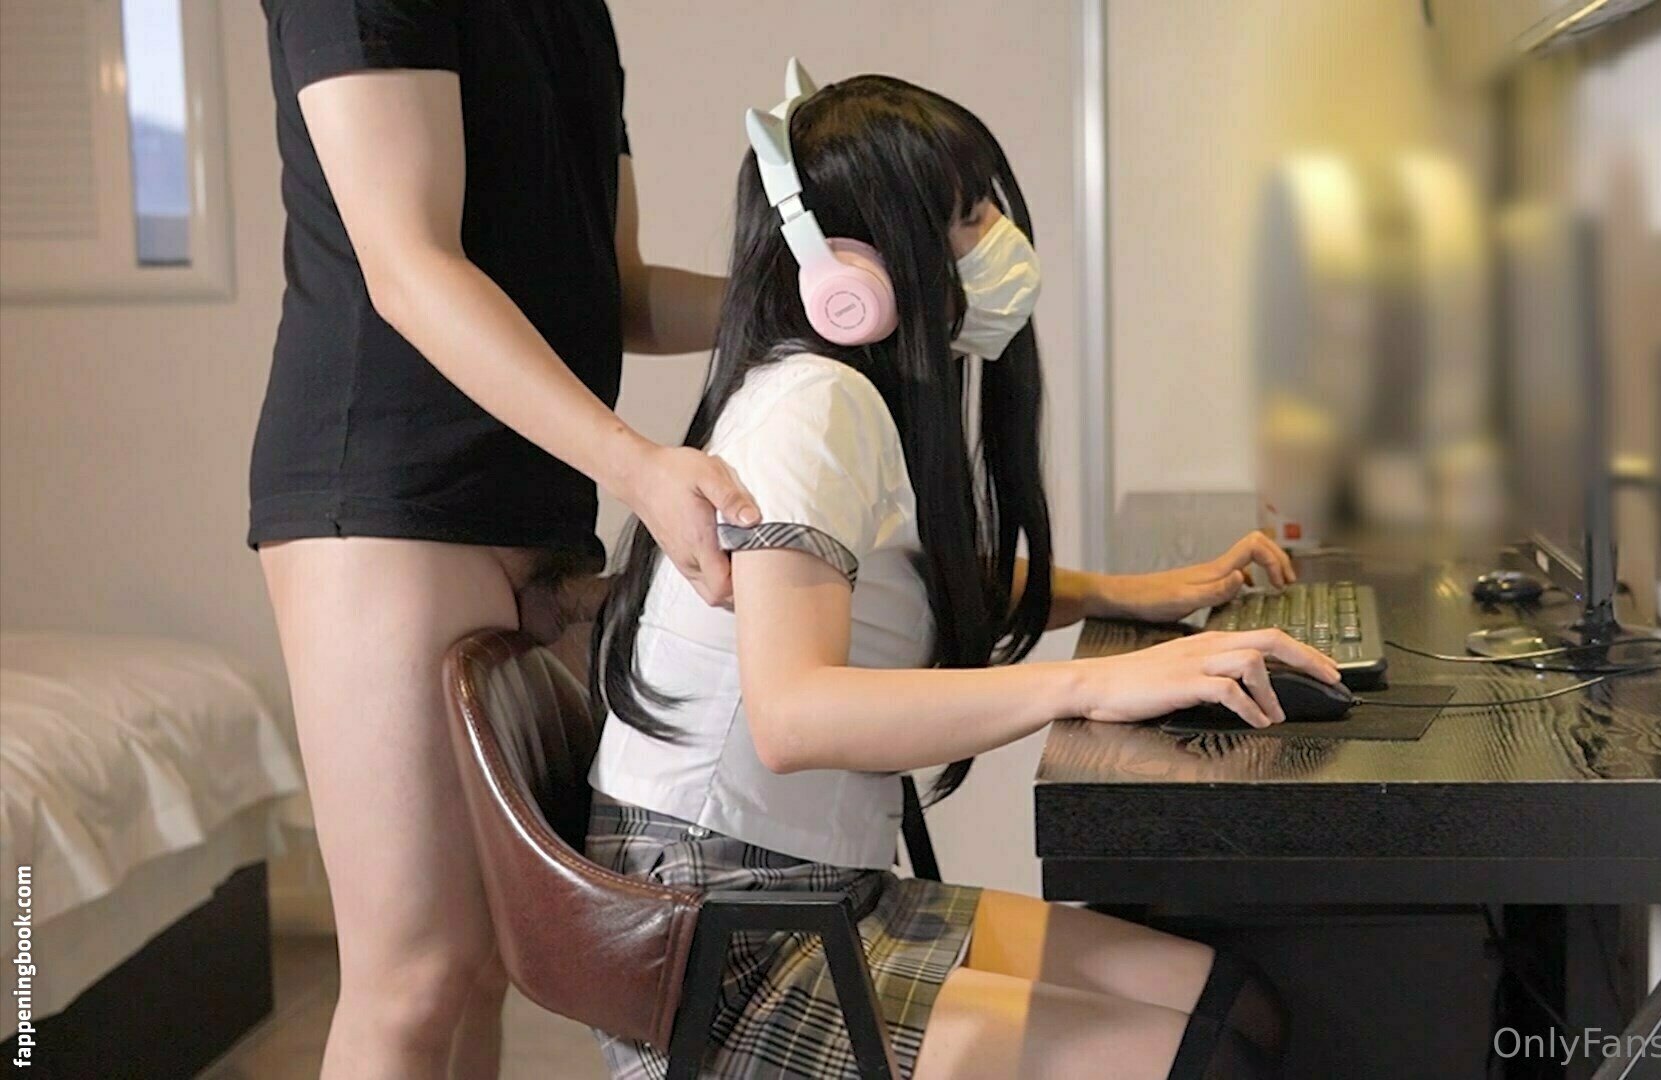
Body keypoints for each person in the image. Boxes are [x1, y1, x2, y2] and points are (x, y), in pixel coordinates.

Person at [572, 63, 1341, 1079]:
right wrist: (1091, 680)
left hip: (811, 889)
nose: (999, 242)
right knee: (1216, 1056)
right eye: (969, 217)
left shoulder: (836, 393)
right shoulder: (812, 407)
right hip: (725, 932)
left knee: (1243, 1012)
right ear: (852, 273)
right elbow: (794, 715)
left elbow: (901, 582)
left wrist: (1132, 596)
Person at [247, 4, 759, 1077]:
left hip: (528, 499)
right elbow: (406, 265)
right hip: (387, 491)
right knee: (413, 977)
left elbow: (618, 294)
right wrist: (636, 465)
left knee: (481, 968)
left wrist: (802, 303)